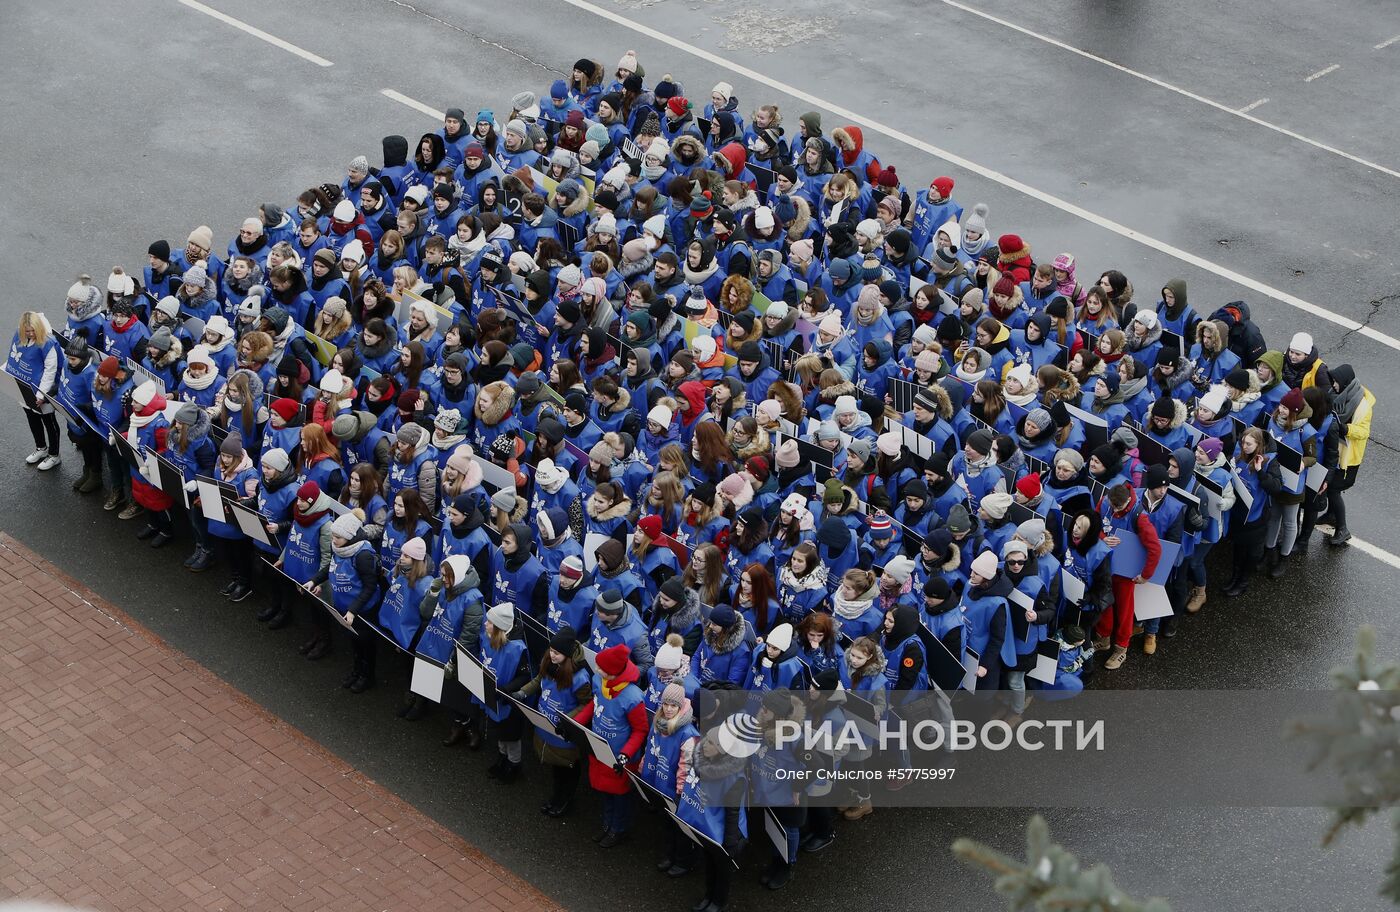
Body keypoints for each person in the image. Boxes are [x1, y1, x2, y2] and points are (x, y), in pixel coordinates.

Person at [572, 642, 650, 848]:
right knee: (604, 791)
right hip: (599, 750)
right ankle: (608, 824)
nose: (597, 670)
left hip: (619, 759)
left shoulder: (633, 697)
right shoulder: (600, 681)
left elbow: (640, 730)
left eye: (601, 669)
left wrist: (625, 755)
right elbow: (594, 704)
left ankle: (619, 829)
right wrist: (576, 723)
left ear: (614, 674)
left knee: (620, 797)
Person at [9, 312, 62, 470]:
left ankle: (54, 455)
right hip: (25, 388)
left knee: (48, 421)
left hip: (42, 391)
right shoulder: (19, 336)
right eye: (27, 331)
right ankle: (41, 448)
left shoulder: (47, 343)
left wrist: (41, 395)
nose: (31, 334)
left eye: (33, 330)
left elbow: (50, 371)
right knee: (32, 417)